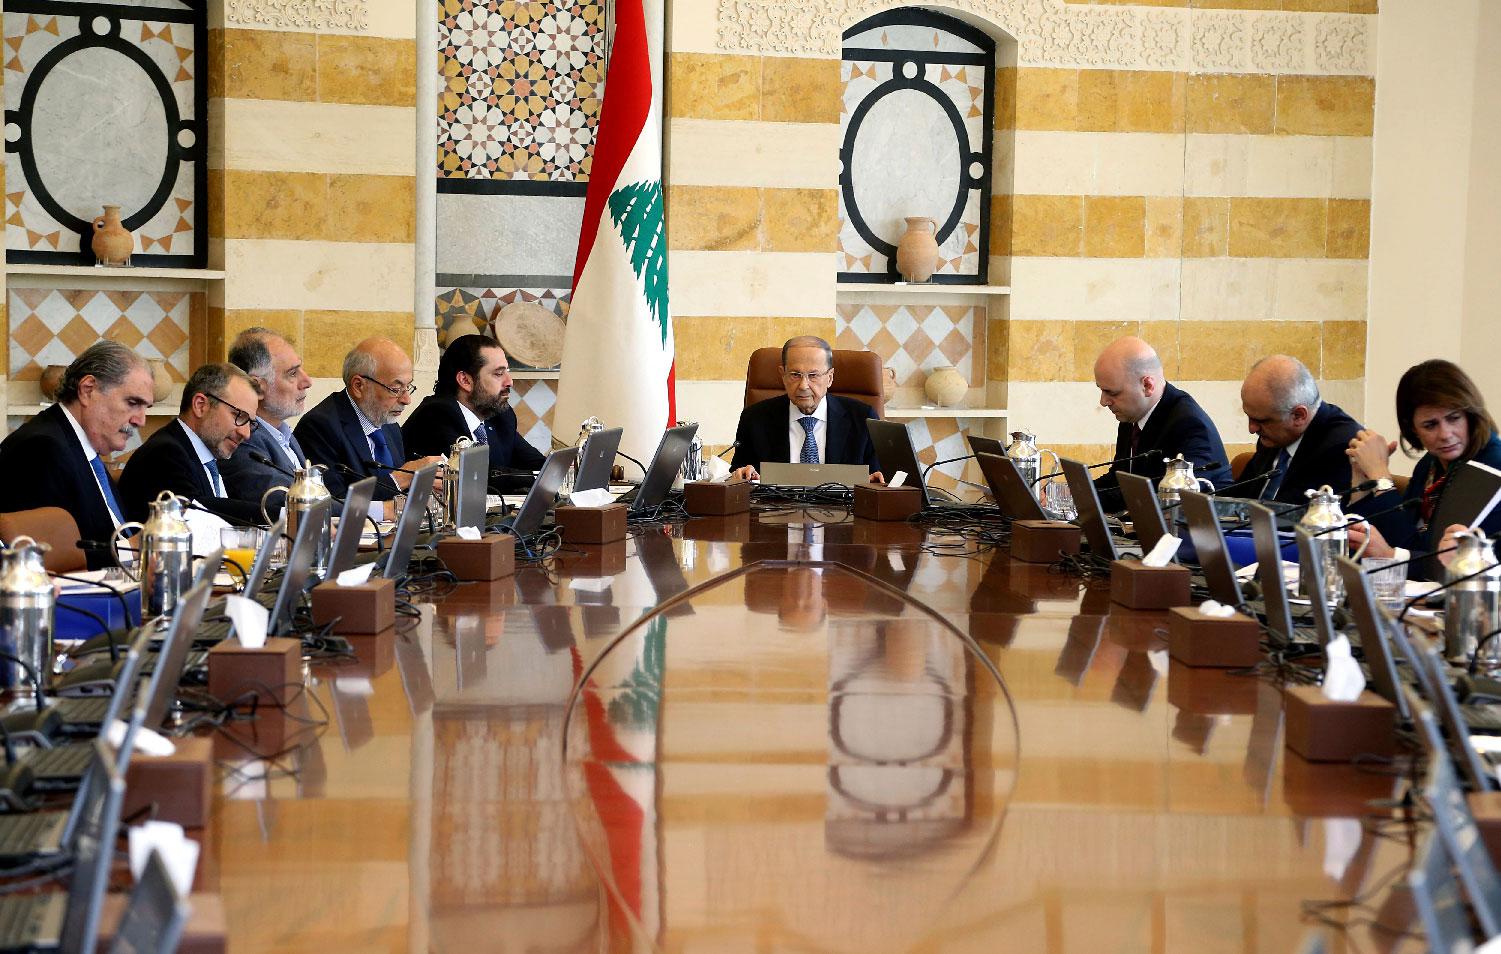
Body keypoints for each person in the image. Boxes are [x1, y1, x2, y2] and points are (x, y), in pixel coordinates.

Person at [0, 342, 154, 568]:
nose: (140, 420)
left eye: (145, 408)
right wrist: (131, 549)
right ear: (88, 390)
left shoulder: (80, 444)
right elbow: (48, 559)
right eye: (133, 403)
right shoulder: (41, 448)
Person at [1345, 359, 1501, 578]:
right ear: (1412, 429)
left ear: (1471, 416)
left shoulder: (1490, 468)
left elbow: (1436, 559)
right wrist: (1362, 479)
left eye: (1454, 418)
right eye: (1430, 425)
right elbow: (1375, 542)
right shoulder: (1430, 463)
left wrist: (1380, 477)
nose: (1445, 434)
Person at [1091, 336, 1231, 512]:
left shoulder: (1189, 424)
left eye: (1111, 392)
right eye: (1101, 390)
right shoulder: (1132, 415)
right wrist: (1069, 494)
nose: (1104, 402)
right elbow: (1119, 479)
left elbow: (1165, 498)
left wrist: (1085, 499)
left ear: (1147, 386)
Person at [294, 337, 441, 501]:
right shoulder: (320, 427)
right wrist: (400, 479)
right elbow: (331, 501)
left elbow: (399, 494)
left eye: (408, 387)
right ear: (358, 386)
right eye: (396, 389)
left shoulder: (389, 426)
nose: (406, 399)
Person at [118, 363, 264, 526]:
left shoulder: (208, 456)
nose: (246, 433)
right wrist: (281, 515)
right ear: (200, 405)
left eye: (250, 423)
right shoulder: (164, 453)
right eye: (239, 416)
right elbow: (198, 515)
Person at [401, 334, 545, 491]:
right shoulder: (436, 415)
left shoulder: (499, 416)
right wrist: (538, 477)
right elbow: (476, 476)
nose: (509, 381)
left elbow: (538, 464)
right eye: (498, 373)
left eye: (507, 372)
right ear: (465, 380)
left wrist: (559, 470)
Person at [729, 336, 880, 481]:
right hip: (775, 507)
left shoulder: (863, 419)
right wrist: (743, 474)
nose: (803, 386)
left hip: (845, 507)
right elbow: (738, 474)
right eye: (795, 375)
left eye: (813, 375)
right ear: (783, 375)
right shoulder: (754, 419)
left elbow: (878, 478)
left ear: (830, 377)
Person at [1238, 354, 1362, 504]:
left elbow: (1300, 517)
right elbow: (1240, 498)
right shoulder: (1274, 434)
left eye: (1260, 420)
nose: (1252, 428)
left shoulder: (1342, 448)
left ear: (1299, 415)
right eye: (1249, 417)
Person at [219, 328, 313, 515]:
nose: (307, 381)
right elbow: (287, 502)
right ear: (257, 387)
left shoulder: (283, 433)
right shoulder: (244, 439)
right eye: (293, 373)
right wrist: (372, 510)